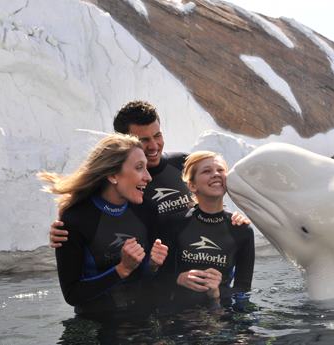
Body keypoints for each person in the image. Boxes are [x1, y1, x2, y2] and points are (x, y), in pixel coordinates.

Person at [49, 101, 249, 247]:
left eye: (157, 135)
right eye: (143, 140)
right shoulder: (115, 184)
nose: (154, 146)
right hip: (158, 275)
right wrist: (63, 230)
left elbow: (213, 199)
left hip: (198, 261)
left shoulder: (183, 164)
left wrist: (234, 218)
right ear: (125, 141)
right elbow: (86, 216)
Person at [38, 133, 168, 315]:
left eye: (146, 168)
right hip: (96, 324)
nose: (148, 177)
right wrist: (122, 269)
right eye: (139, 168)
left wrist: (153, 264)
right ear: (113, 175)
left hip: (141, 319)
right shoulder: (75, 219)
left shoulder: (147, 210)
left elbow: (147, 277)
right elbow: (72, 294)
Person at [160, 151, 255, 310]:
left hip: (221, 314)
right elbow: (158, 279)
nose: (215, 174)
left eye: (220, 170)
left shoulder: (241, 230)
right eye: (206, 171)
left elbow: (243, 290)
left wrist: (216, 294)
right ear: (192, 185)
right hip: (180, 316)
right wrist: (178, 279)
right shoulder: (176, 223)